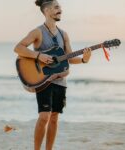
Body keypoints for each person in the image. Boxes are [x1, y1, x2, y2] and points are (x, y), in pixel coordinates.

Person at [14, 0, 91, 149]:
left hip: (59, 81)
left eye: (60, 7)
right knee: (44, 116)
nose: (60, 10)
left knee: (54, 118)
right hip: (43, 80)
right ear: (47, 11)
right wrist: (38, 56)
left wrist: (83, 60)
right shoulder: (38, 32)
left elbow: (69, 57)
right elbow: (18, 48)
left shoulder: (64, 34)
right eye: (56, 7)